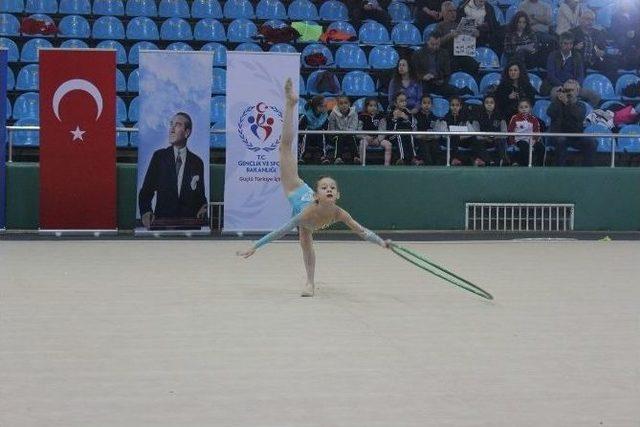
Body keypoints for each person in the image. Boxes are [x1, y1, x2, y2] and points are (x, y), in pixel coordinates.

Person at [237, 79, 391, 297]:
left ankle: (310, 281)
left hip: (309, 215)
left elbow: (361, 231)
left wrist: (382, 242)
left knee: (306, 244)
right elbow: (281, 231)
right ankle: (290, 104)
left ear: (337, 194)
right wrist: (255, 246)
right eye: (324, 187)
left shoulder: (339, 213)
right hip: (295, 191)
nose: (328, 189)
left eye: (332, 187)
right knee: (284, 147)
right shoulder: (307, 211)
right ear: (317, 194)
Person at [138, 112, 207, 229]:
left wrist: (204, 206)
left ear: (187, 132)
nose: (171, 129)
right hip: (162, 223)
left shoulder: (197, 162)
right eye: (171, 125)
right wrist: (146, 211)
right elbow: (146, 192)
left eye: (177, 125)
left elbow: (200, 197)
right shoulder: (159, 157)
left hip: (189, 226)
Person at [547, 79, 594, 166]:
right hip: (559, 135)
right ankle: (560, 169)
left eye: (572, 90)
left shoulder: (581, 105)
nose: (569, 93)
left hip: (575, 136)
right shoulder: (557, 103)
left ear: (577, 92)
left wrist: (567, 103)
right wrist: (558, 100)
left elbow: (577, 116)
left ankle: (587, 169)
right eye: (566, 90)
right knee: (561, 140)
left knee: (591, 142)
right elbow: (549, 113)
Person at [571, 10, 617, 80]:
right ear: (580, 20)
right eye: (587, 19)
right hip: (580, 61)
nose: (590, 22)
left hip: (595, 60)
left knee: (613, 64)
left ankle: (607, 85)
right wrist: (574, 48)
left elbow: (603, 47)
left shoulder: (598, 33)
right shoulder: (572, 32)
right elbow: (564, 48)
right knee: (577, 66)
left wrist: (602, 52)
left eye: (592, 20)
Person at [442, 96, 481, 166]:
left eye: (457, 105)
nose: (455, 107)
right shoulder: (445, 118)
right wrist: (456, 136)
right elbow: (444, 134)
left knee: (474, 138)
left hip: (462, 140)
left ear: (460, 107)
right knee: (454, 137)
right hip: (450, 141)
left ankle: (476, 159)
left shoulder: (464, 118)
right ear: (449, 107)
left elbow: (472, 132)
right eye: (452, 105)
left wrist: (461, 136)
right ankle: (454, 159)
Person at [470, 95, 508, 166]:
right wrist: (485, 138)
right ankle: (489, 161)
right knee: (475, 141)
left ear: (495, 104)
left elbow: (505, 133)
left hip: (496, 139)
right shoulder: (477, 116)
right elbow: (476, 133)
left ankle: (503, 160)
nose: (489, 104)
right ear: (483, 104)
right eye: (487, 102)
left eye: (491, 102)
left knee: (501, 141)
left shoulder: (501, 116)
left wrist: (496, 137)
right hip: (483, 140)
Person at [507, 98, 544, 166]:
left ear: (530, 108)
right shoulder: (514, 118)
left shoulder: (534, 119)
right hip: (519, 140)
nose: (524, 109)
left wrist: (534, 140)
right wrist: (513, 142)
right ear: (518, 109)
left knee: (540, 147)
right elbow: (510, 131)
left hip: (531, 140)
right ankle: (529, 164)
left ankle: (539, 166)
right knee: (524, 145)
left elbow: (536, 131)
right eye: (521, 107)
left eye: (526, 107)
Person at [388, 92, 420, 165]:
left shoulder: (408, 113)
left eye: (405, 101)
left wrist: (406, 118)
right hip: (393, 135)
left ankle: (413, 158)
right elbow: (390, 129)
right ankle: (402, 158)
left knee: (410, 135)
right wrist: (395, 118)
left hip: (407, 134)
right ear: (396, 103)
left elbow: (413, 126)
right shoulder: (391, 113)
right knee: (400, 136)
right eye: (401, 101)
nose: (404, 103)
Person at [358, 97, 392, 166]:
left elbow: (383, 129)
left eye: (375, 106)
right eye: (371, 106)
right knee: (362, 144)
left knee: (388, 144)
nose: (373, 108)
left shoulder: (381, 116)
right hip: (366, 139)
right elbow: (359, 130)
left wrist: (379, 139)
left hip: (378, 139)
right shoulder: (362, 116)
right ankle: (362, 163)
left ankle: (386, 165)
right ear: (366, 107)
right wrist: (366, 137)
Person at [327, 96, 359, 164]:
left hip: (349, 134)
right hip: (336, 135)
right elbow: (331, 129)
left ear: (349, 104)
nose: (344, 105)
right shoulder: (333, 114)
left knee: (351, 137)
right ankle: (338, 158)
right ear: (338, 105)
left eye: (346, 103)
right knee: (339, 138)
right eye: (341, 103)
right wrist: (341, 133)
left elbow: (354, 127)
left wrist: (346, 132)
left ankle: (356, 157)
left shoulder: (354, 113)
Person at [298, 95, 328, 164]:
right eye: (324, 106)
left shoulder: (325, 116)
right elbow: (300, 130)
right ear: (318, 107)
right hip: (306, 136)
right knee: (306, 133)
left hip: (318, 136)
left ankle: (323, 156)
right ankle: (301, 157)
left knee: (321, 132)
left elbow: (326, 129)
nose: (325, 108)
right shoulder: (305, 116)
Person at [414, 95, 442, 165]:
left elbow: (438, 133)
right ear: (420, 104)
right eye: (424, 103)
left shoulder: (435, 118)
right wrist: (421, 136)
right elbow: (413, 132)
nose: (426, 105)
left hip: (432, 139)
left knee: (436, 146)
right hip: (420, 140)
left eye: (429, 103)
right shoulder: (415, 117)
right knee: (425, 147)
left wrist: (432, 136)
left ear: (431, 105)